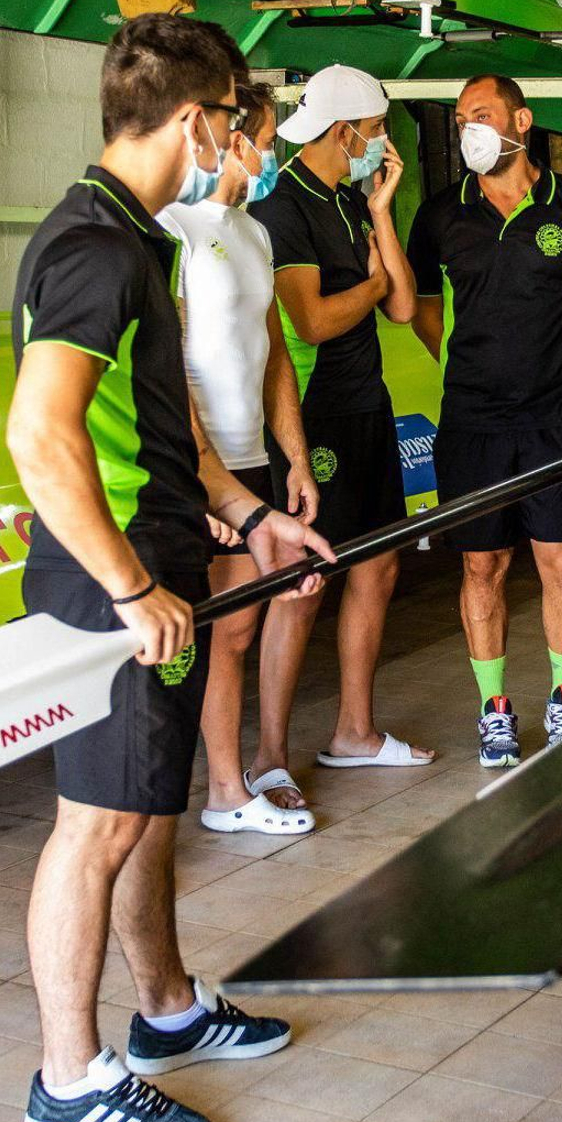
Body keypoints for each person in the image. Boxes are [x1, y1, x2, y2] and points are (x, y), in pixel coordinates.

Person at [6, 14, 333, 1122]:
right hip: (112, 582)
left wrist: (252, 519)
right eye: (237, 121)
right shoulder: (96, 251)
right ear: (196, 119)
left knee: (144, 814)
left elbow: (164, 428)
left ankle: (167, 1012)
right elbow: (41, 438)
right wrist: (133, 584)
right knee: (94, 826)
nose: (240, 144)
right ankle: (66, 1080)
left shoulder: (132, 240)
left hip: (157, 564)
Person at [407, 74, 562, 767]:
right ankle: (494, 707)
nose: (469, 125)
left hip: (554, 421)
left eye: (484, 113)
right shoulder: (443, 213)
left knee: (560, 565)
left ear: (521, 121)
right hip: (471, 425)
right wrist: (468, 360)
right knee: (482, 565)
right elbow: (424, 309)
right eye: (462, 116)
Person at [246, 65, 435, 773]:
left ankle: (354, 730)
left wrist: (383, 212)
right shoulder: (283, 207)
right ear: (343, 130)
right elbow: (312, 319)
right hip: (314, 416)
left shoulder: (351, 201)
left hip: (368, 406)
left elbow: (405, 308)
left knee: (378, 566)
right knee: (301, 585)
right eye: (378, 130)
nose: (382, 144)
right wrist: (377, 279)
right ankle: (268, 755)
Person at [157, 83, 320, 836]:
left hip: (256, 457)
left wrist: (294, 457)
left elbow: (276, 353)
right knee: (224, 627)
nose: (272, 150)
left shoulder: (254, 232)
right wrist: (201, 477)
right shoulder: (175, 229)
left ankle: (237, 777)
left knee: (246, 624)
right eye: (264, 135)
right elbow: (166, 358)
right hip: (208, 462)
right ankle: (224, 791)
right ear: (231, 139)